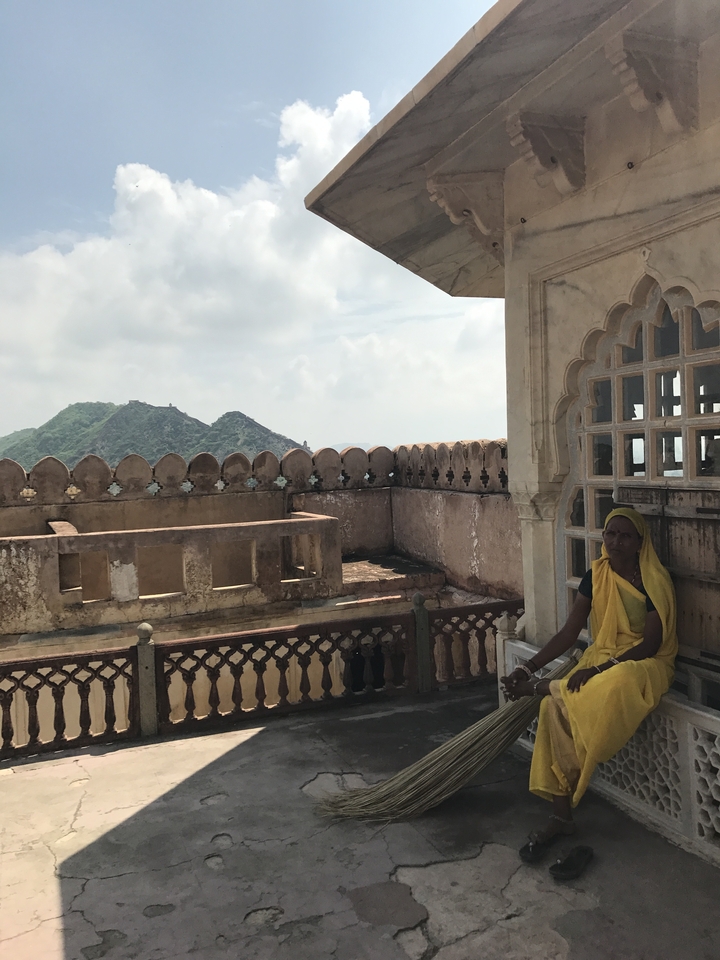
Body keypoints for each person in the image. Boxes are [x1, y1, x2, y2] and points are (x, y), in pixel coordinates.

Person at [501, 507, 677, 876]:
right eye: (610, 533)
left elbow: (650, 644)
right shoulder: (596, 575)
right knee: (552, 709)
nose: (615, 541)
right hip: (603, 656)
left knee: (614, 681)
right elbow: (569, 633)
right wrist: (526, 667)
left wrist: (599, 669)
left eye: (625, 535)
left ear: (639, 543)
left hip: (642, 664)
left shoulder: (653, 580)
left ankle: (544, 688)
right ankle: (561, 818)